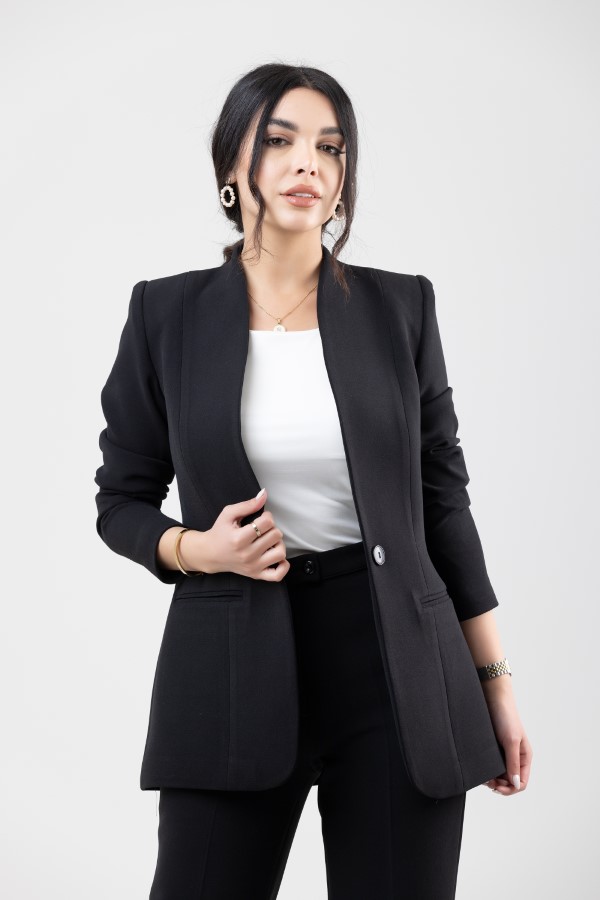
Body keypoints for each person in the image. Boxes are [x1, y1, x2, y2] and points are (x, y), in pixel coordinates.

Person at [94, 62, 533, 899]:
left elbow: (444, 504)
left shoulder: (401, 308)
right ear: (234, 166)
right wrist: (196, 549)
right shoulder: (166, 314)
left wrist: (496, 686)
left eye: (330, 147)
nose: (309, 163)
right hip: (230, 661)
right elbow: (120, 498)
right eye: (281, 140)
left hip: (397, 669)